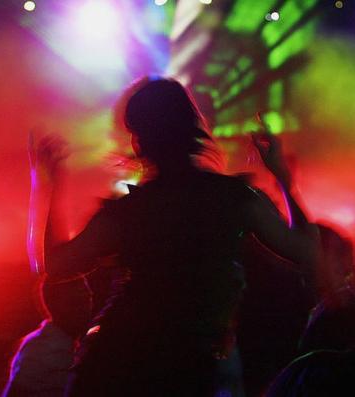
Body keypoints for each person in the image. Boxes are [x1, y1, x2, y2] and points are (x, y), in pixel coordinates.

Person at [31, 77, 320, 396]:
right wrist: (282, 177)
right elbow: (308, 252)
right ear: (193, 128)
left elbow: (57, 265)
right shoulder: (233, 198)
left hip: (119, 364)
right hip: (188, 368)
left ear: (139, 140)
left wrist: (48, 184)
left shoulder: (131, 211)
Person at [2, 278, 93, 397]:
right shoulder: (40, 349)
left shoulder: (70, 341)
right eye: (76, 301)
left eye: (88, 297)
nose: (86, 306)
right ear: (54, 305)